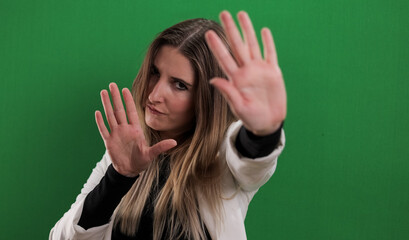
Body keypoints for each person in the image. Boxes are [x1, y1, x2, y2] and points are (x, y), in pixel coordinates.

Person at [49, 10, 287, 240]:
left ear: (207, 99)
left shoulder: (224, 155)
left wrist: (264, 131)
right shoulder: (128, 152)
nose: (154, 94)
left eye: (179, 85)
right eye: (154, 72)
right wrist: (119, 177)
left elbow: (252, 160)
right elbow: (62, 237)